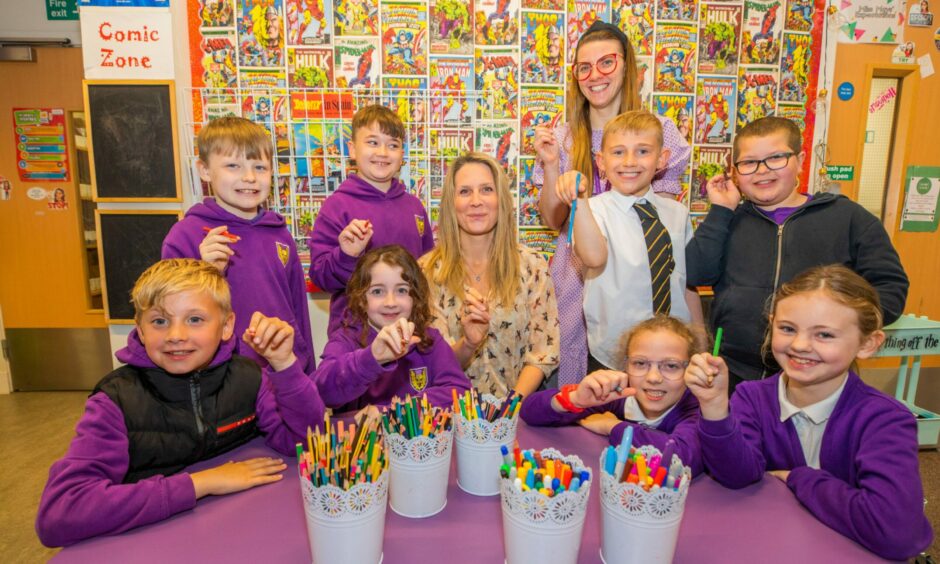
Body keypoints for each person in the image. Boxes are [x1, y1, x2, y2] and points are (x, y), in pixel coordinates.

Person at [36, 259, 326, 547]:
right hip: (147, 544)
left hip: (232, 533)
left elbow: (305, 442)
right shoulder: (115, 401)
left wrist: (284, 365)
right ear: (140, 328)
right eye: (159, 321)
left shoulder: (250, 378)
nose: (176, 336)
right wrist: (202, 482)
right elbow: (60, 512)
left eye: (195, 319)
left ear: (226, 326)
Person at [684, 265, 932, 560]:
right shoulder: (752, 397)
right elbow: (736, 476)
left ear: (867, 344)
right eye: (787, 329)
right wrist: (714, 408)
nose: (800, 345)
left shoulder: (885, 419)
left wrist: (799, 478)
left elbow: (896, 532)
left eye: (824, 334)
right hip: (774, 548)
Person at [686, 116, 908, 389]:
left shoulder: (848, 218)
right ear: (735, 171)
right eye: (749, 162)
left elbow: (890, 288)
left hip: (821, 373)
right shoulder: (728, 219)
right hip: (736, 373)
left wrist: (841, 329)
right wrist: (720, 211)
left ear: (801, 161)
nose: (762, 170)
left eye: (776, 158)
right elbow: (696, 273)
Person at [533, 20, 691, 385]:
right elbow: (554, 218)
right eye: (584, 67)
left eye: (607, 62)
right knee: (583, 367)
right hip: (576, 267)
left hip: (639, 272)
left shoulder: (660, 129)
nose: (595, 75)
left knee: (643, 360)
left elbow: (658, 221)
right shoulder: (565, 135)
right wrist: (554, 163)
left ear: (627, 65)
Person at [162, 117, 315, 373]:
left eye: (260, 167)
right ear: (205, 170)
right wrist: (207, 273)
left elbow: (297, 308)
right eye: (233, 166)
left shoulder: (279, 234)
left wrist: (306, 371)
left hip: (282, 369)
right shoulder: (185, 235)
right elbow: (170, 314)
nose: (249, 177)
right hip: (221, 376)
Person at [566, 110, 704, 373]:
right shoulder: (591, 211)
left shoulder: (677, 213)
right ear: (601, 162)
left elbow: (687, 283)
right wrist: (580, 201)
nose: (630, 161)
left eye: (642, 151)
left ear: (662, 159)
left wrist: (700, 344)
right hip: (613, 356)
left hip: (674, 352)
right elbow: (594, 257)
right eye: (618, 152)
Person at [420, 153, 559, 397]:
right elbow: (434, 365)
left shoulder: (532, 265)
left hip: (516, 417)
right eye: (464, 192)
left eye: (486, 189)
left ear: (501, 199)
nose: (476, 201)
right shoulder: (427, 272)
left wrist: (510, 409)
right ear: (451, 203)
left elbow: (543, 353)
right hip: (448, 417)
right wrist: (469, 344)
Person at [521, 315, 702, 475]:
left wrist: (614, 426)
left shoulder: (695, 407)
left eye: (671, 366)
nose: (653, 378)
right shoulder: (619, 395)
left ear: (690, 370)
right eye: (640, 363)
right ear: (626, 366)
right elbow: (529, 411)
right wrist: (574, 399)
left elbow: (683, 457)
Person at [308, 105, 434, 333]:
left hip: (409, 332)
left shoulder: (414, 206)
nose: (383, 152)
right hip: (354, 336)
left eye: (393, 145)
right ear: (352, 149)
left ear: (402, 154)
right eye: (373, 142)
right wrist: (346, 255)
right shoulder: (337, 206)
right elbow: (320, 276)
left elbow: (426, 270)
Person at [315, 245, 471, 410]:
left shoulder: (428, 339)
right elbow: (321, 391)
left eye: (402, 290)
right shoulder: (346, 339)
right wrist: (371, 358)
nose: (390, 302)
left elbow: (460, 391)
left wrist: (396, 412)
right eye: (377, 292)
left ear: (415, 297)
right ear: (361, 299)